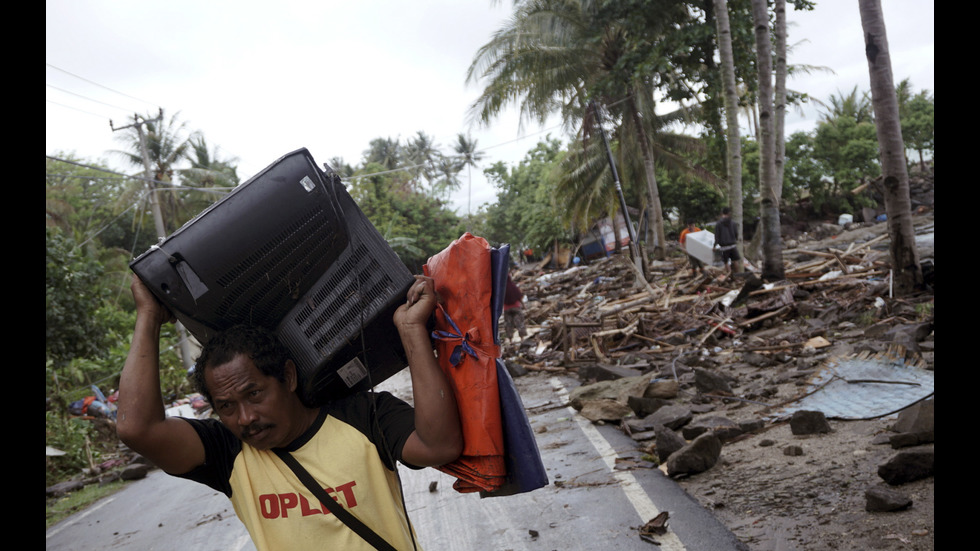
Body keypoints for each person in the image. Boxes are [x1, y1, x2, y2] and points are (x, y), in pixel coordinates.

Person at [116, 274, 462, 551]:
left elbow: (438, 446)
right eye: (226, 407)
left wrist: (411, 331)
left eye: (254, 394)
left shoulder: (363, 415)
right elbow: (137, 429)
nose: (245, 418)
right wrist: (148, 316)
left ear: (289, 377)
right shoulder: (228, 452)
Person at [713, 207, 742, 274]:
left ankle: (730, 276)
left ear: (722, 213)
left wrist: (714, 246)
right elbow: (736, 233)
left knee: (726, 262)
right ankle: (737, 276)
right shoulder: (733, 223)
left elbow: (717, 236)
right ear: (729, 213)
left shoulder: (718, 224)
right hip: (732, 245)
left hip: (724, 247)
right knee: (735, 261)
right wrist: (735, 240)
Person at [501, 273, 527, 343]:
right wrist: (524, 306)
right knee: (520, 323)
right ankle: (522, 338)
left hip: (507, 309)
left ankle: (510, 340)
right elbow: (519, 297)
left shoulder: (501, 289)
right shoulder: (513, 286)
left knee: (508, 324)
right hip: (516, 307)